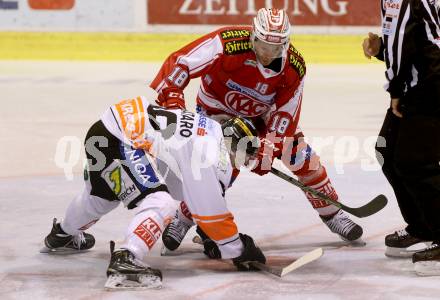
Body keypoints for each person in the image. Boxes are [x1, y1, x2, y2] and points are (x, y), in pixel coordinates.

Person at [150, 7, 363, 252]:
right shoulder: (227, 43)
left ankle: (333, 214)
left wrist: (267, 149)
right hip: (214, 115)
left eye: (274, 48)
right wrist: (174, 105)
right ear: (253, 36)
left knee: (302, 157)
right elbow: (181, 63)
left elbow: (285, 114)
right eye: (263, 45)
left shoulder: (294, 67)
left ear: (285, 44)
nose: (267, 53)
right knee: (217, 172)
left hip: (260, 117)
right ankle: (184, 217)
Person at [42, 95, 266, 289]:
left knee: (101, 199)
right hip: (122, 138)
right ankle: (127, 257)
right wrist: (238, 248)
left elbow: (184, 190)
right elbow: (210, 212)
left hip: (105, 130)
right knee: (161, 201)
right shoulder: (211, 152)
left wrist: (218, 237)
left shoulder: (209, 128)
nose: (243, 163)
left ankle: (62, 234)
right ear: (236, 146)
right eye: (246, 156)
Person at [362, 0, 440, 275]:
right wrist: (382, 49)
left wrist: (396, 88)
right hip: (420, 81)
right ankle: (423, 226)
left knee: (416, 163)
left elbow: (407, 40)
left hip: (430, 85)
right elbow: (416, 39)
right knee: (388, 152)